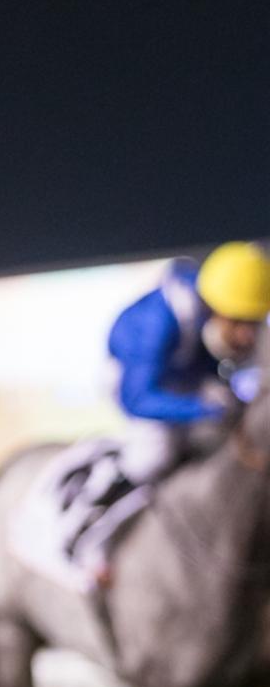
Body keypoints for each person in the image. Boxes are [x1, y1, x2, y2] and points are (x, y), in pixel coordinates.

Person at [65, 242, 270, 572]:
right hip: (136, 384)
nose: (248, 336)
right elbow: (138, 398)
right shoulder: (157, 322)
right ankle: (91, 531)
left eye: (254, 323)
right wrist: (203, 409)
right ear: (211, 307)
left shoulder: (214, 315)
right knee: (154, 452)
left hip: (187, 377)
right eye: (239, 323)